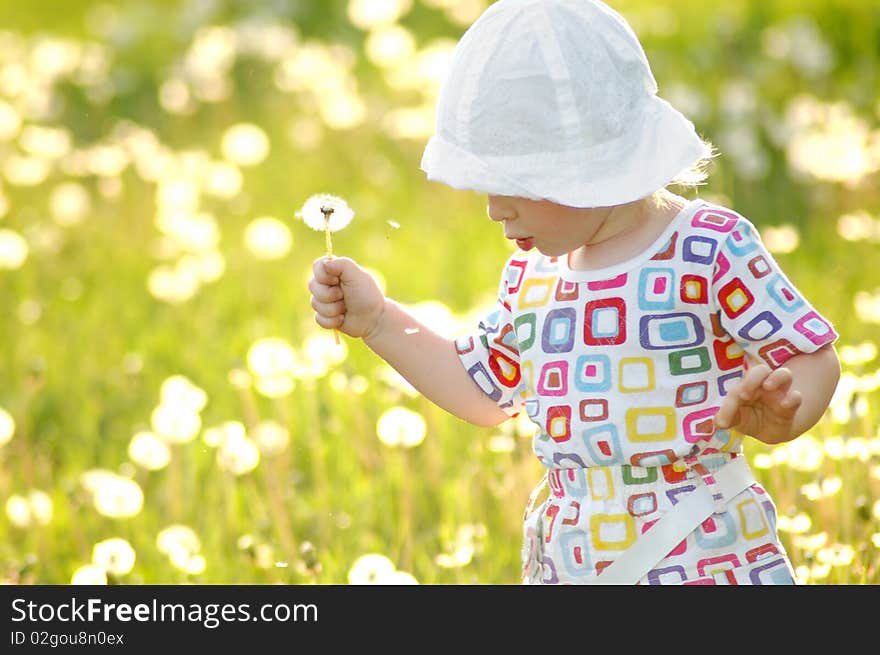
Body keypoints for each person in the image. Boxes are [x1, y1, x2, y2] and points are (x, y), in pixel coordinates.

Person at [308, 0, 841, 584]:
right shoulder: (534, 275)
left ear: (585, 164)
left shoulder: (708, 247)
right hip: (574, 561)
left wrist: (790, 415)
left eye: (513, 185)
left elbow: (807, 351)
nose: (493, 209)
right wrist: (380, 321)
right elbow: (485, 393)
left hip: (703, 551)